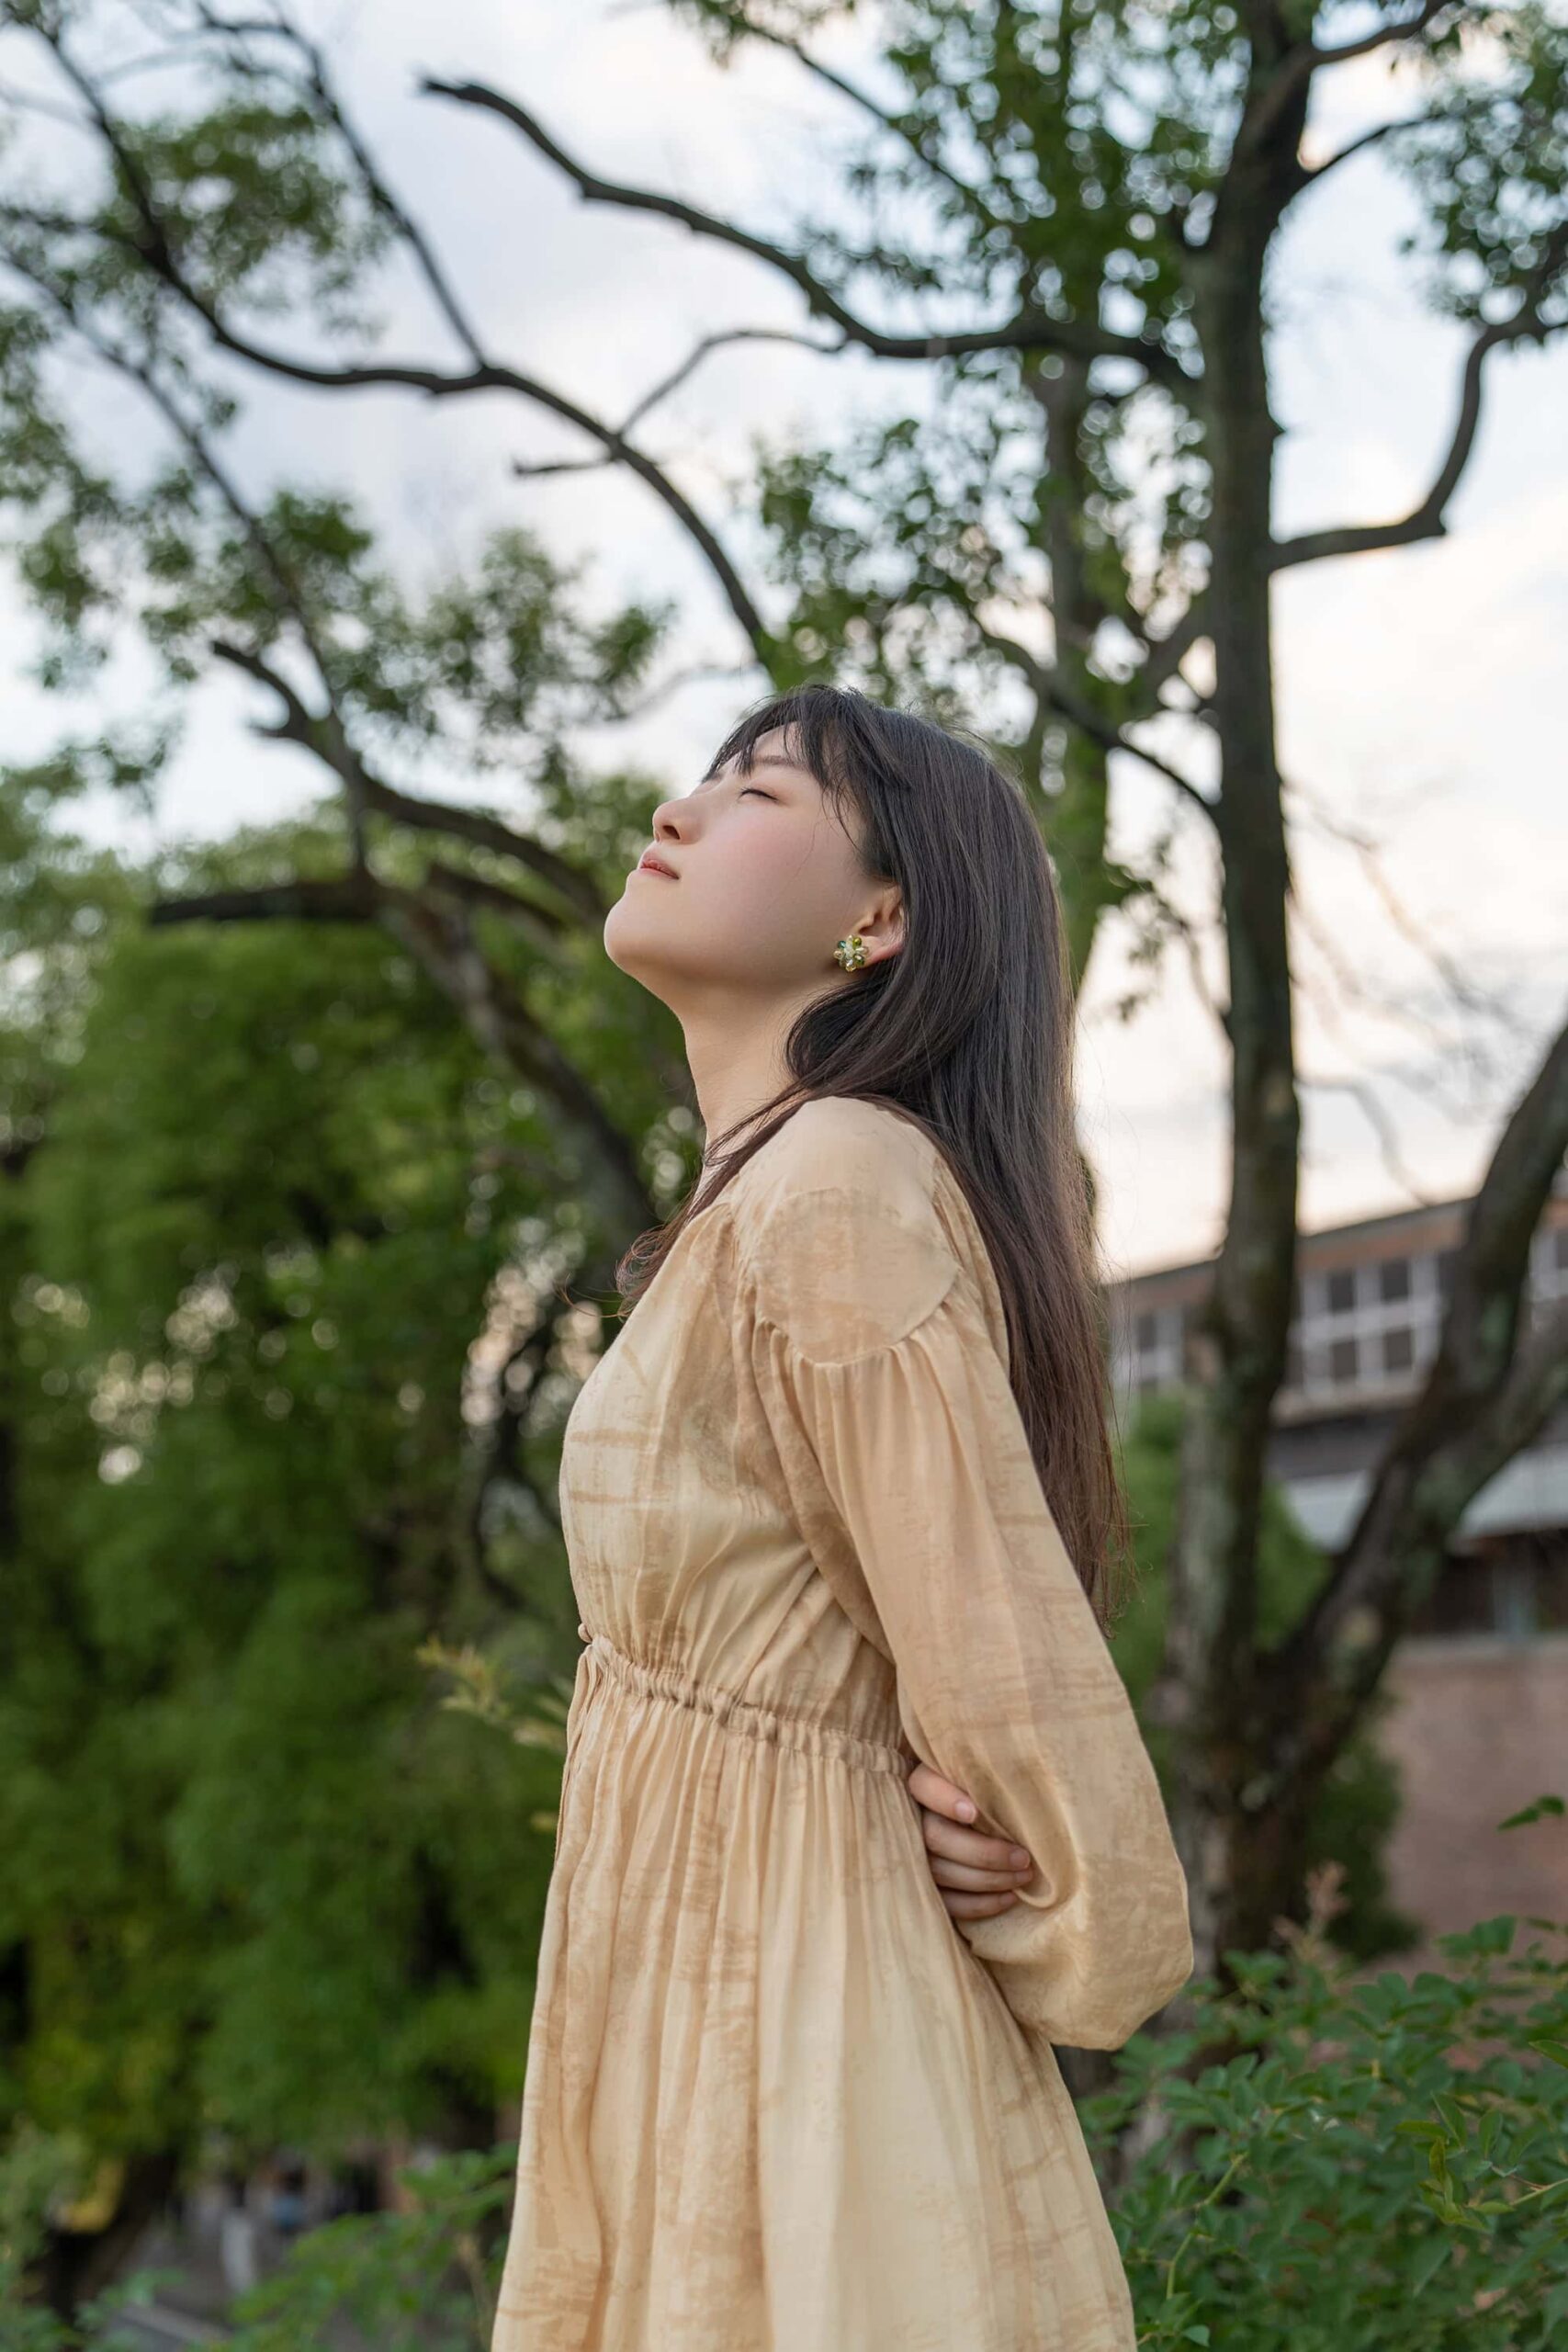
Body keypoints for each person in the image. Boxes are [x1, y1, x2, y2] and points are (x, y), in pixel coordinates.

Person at [491, 684, 1193, 2350]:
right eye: (705, 780)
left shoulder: (842, 1186)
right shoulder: (765, 1201)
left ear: (881, 916)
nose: (679, 809)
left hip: (805, 2004)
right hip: (707, 1972)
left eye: (759, 794)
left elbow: (1005, 1663)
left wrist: (1055, 1885)